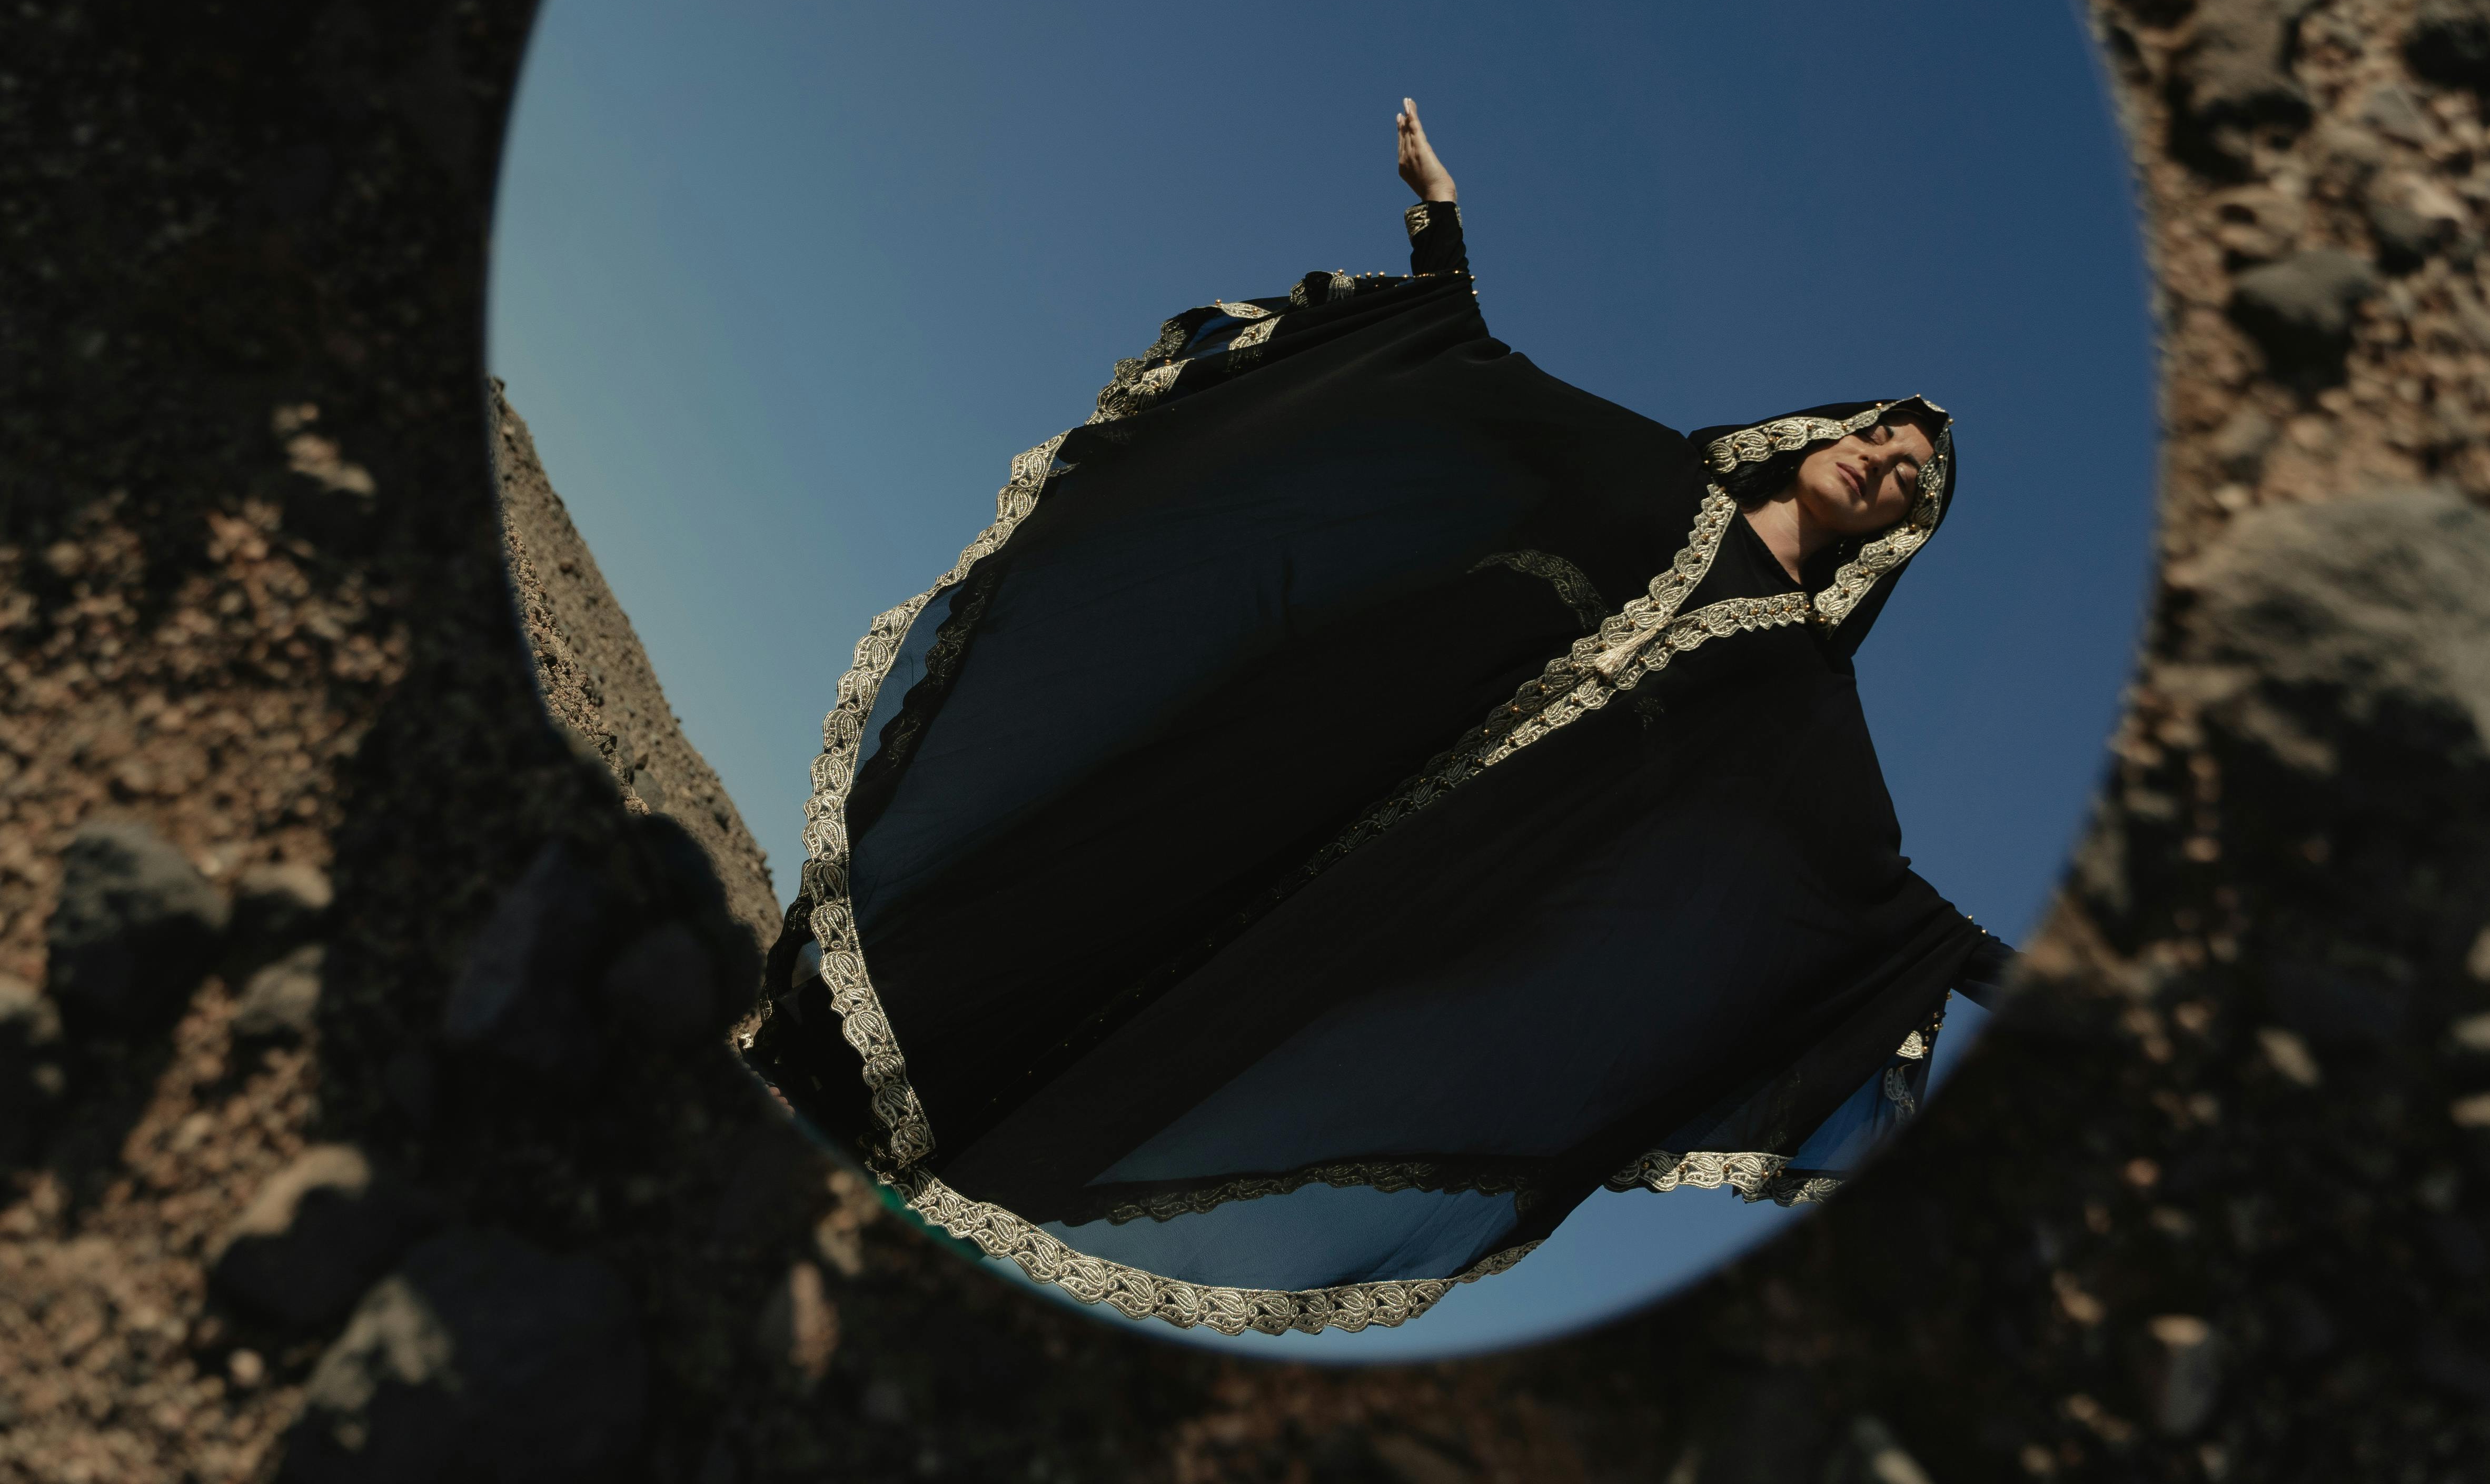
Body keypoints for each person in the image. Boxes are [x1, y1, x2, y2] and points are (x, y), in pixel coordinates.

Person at [744, 100, 2016, 1337]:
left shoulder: (1798, 685)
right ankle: (814, 1091)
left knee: (1224, 1030)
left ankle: (932, 1235)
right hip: (1335, 739)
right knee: (1111, 870)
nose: (1884, 457)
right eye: (1877, 430)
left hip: (1436, 879)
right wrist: (1441, 225)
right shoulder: (1649, 472)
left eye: (1909, 476)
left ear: (1895, 532)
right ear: (1818, 427)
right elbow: (1483, 379)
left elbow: (1860, 880)